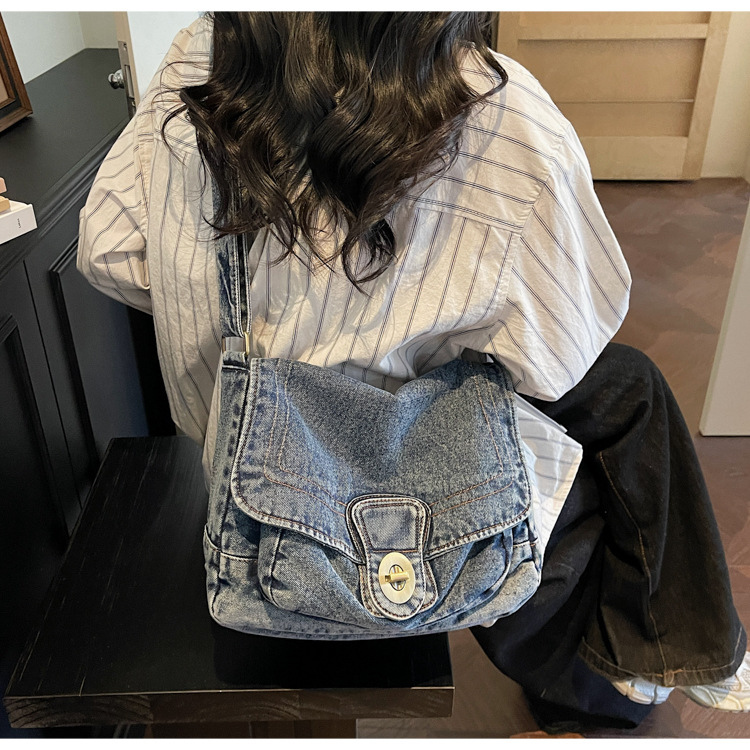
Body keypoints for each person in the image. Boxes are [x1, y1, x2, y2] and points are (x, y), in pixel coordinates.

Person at [76, 12, 748, 730]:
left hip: (246, 462)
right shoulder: (496, 104)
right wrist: (413, 343)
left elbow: (106, 250)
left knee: (629, 390)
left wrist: (252, 322)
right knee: (620, 400)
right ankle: (657, 664)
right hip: (415, 459)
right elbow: (561, 349)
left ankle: (677, 655)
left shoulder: (198, 68)